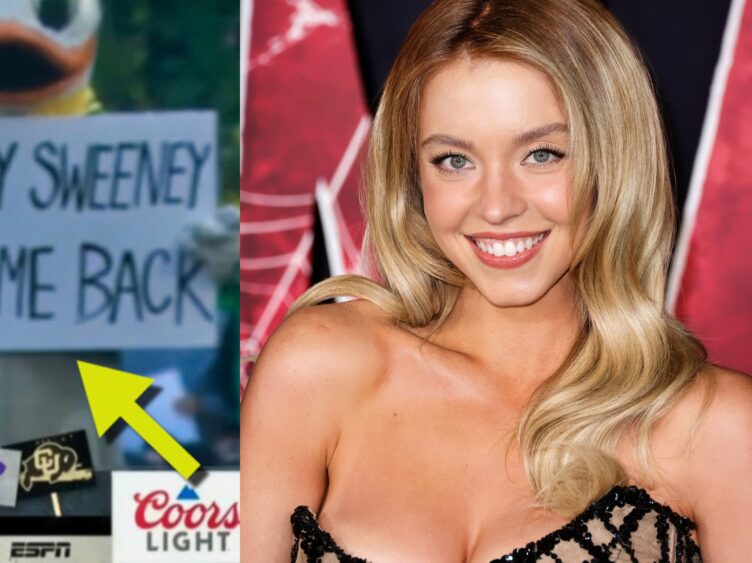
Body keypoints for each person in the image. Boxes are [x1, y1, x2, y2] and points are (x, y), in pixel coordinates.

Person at [240, 0, 752, 561]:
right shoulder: (320, 368)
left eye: (542, 154)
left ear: (615, 160)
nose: (497, 206)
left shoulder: (720, 428)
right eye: (454, 161)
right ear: (412, 174)